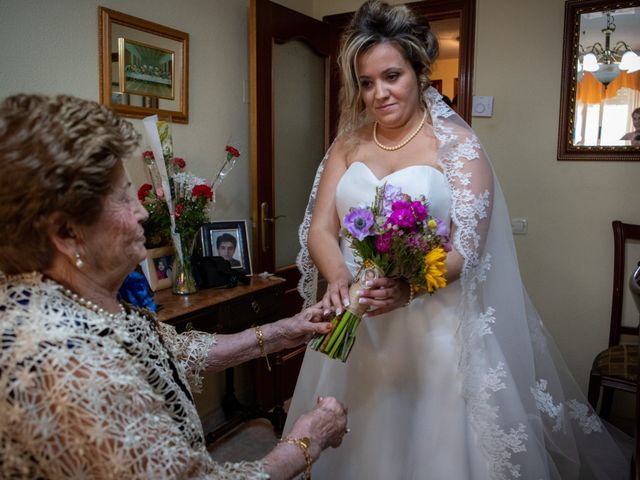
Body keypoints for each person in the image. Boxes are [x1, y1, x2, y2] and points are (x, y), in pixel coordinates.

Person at [286, 1, 629, 478]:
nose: (379, 94)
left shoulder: (458, 148)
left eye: (392, 76)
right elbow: (323, 228)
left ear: (419, 72)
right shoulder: (347, 145)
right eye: (366, 83)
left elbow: (468, 249)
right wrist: (340, 276)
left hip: (430, 322)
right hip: (359, 320)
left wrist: (407, 287)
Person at [0, 93, 349, 479]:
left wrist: (285, 330)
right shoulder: (71, 366)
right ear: (67, 233)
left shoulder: (66, 296)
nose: (143, 211)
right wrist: (305, 441)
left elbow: (174, 351)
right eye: (123, 198)